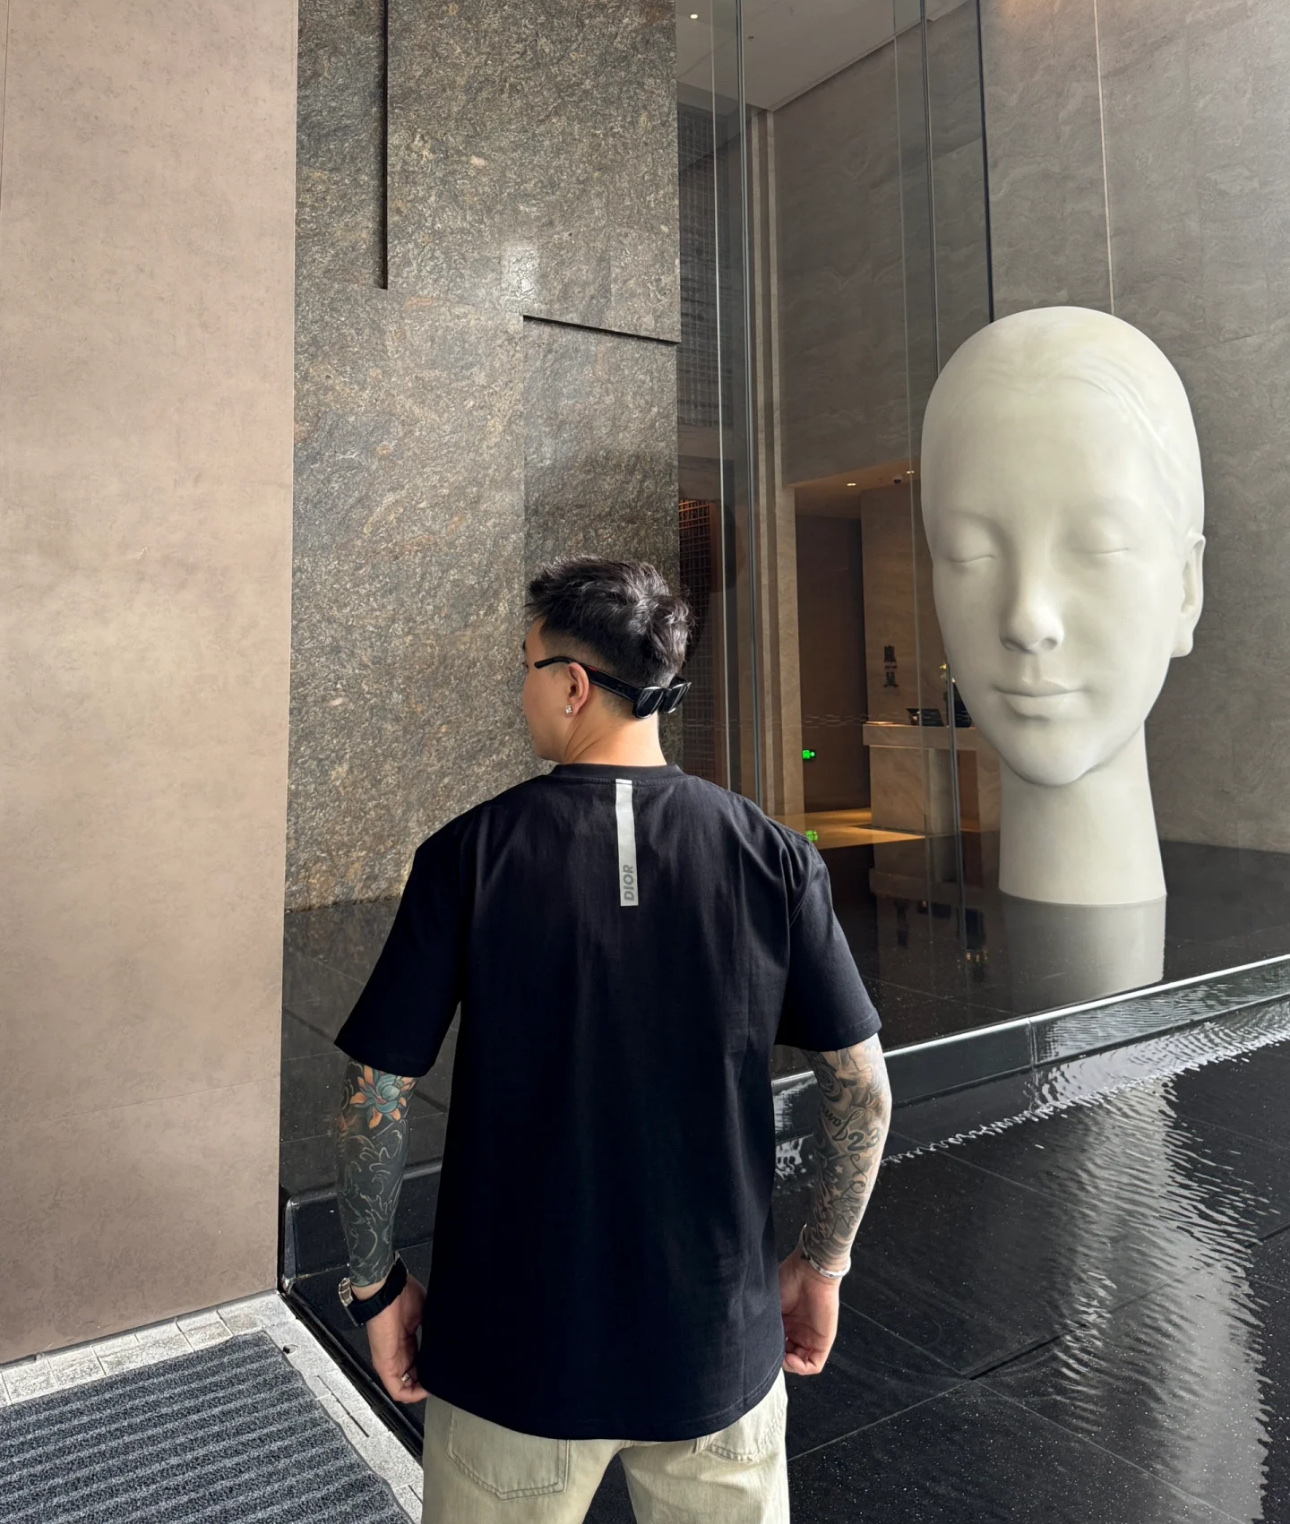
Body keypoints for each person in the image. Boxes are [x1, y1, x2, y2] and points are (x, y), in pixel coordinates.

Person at [331, 556, 891, 1523]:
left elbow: (373, 1095)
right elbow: (863, 1092)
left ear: (573, 685)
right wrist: (824, 1261)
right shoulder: (773, 856)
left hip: (513, 1358)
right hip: (719, 1350)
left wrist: (376, 1288)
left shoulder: (469, 854)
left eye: (526, 665)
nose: (522, 689)